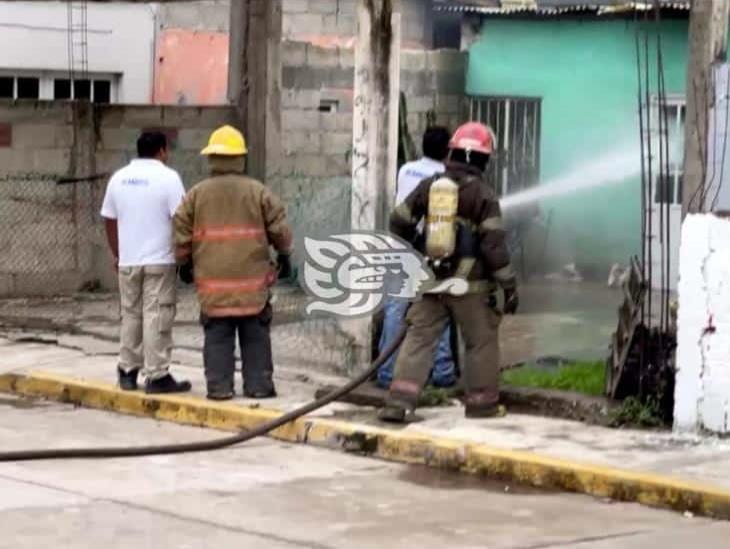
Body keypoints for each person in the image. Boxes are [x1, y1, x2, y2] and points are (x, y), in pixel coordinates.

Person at [379, 122, 519, 423]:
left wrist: (419, 245)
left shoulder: (431, 186)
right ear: (483, 159)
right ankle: (482, 405)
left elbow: (398, 220)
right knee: (480, 341)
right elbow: (494, 248)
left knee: (418, 339)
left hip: (431, 281)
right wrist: (509, 287)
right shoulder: (483, 195)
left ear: (452, 152)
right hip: (471, 288)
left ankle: (399, 402)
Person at [174, 125, 293, 401]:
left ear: (211, 157)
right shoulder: (258, 191)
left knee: (217, 337)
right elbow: (279, 228)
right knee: (255, 334)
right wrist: (285, 255)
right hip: (253, 285)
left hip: (213, 286)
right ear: (240, 158)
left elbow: (180, 229)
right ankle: (259, 385)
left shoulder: (196, 195)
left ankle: (219, 386)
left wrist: (184, 263)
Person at [101, 131, 192, 394]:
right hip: (159, 261)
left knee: (130, 315)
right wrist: (185, 255)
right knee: (156, 316)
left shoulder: (118, 178)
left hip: (128, 261)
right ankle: (157, 374)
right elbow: (181, 219)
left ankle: (127, 371)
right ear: (162, 151)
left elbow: (109, 218)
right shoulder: (169, 177)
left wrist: (118, 253)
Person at [377, 126, 456, 389]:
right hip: (426, 253)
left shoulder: (405, 170)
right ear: (448, 152)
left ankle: (386, 373)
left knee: (394, 311)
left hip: (398, 248)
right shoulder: (445, 179)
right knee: (437, 309)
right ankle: (442, 373)